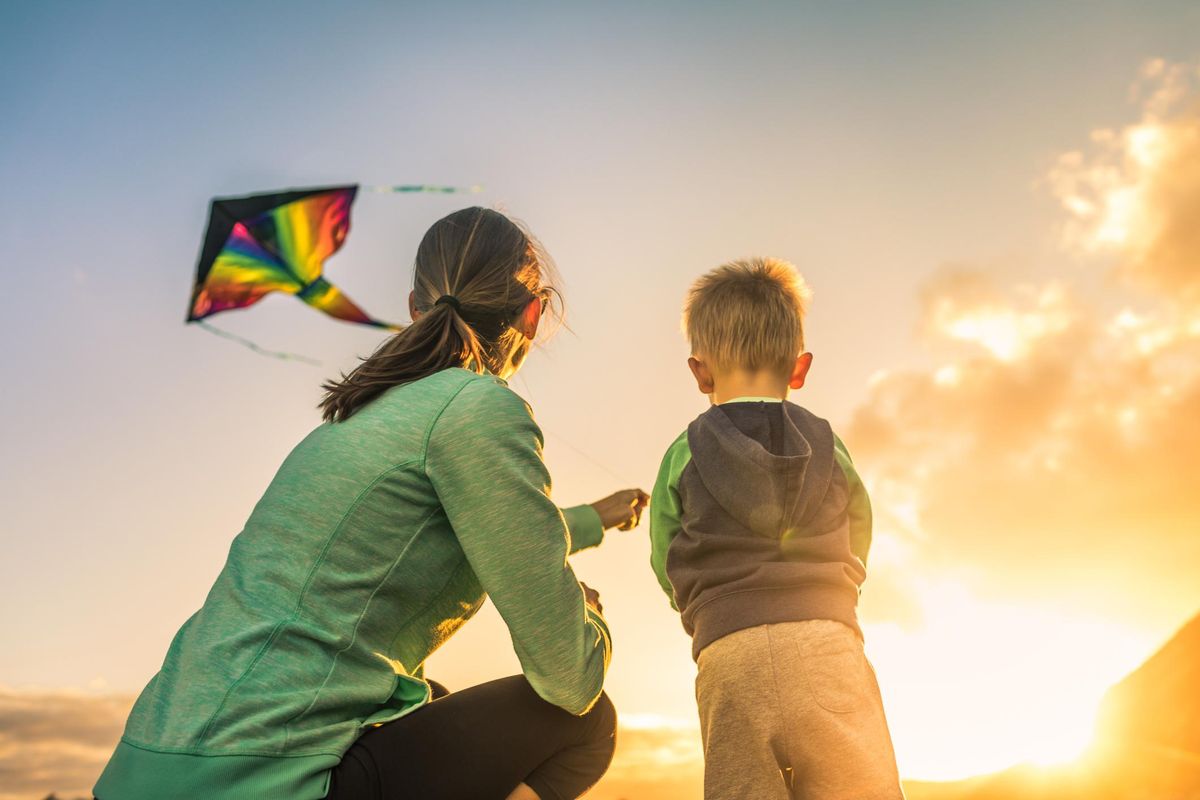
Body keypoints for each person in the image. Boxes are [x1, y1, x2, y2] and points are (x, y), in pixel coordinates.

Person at [94, 207, 648, 800]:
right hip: (263, 782)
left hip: (142, 772)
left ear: (415, 306)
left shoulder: (357, 420)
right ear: (532, 315)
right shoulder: (478, 408)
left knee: (424, 701)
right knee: (584, 721)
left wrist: (595, 518)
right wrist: (589, 617)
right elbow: (569, 675)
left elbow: (488, 531)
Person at [647, 258, 903, 800]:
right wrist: (839, 587)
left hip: (727, 650)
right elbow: (860, 521)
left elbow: (663, 549)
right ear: (799, 368)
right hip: (826, 640)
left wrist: (697, 607)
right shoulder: (828, 445)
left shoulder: (683, 452)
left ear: (701, 372)